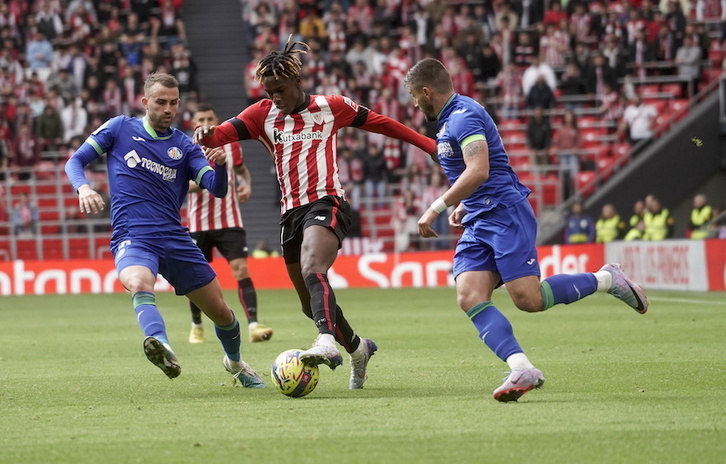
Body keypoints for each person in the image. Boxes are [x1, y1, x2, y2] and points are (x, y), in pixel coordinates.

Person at [193, 37, 437, 389]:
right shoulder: (262, 114)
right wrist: (206, 134)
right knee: (310, 303)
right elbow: (220, 137)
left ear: (297, 81)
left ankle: (324, 341)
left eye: (279, 89)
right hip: (290, 213)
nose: (274, 96)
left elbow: (381, 123)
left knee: (313, 267)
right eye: (268, 90)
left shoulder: (331, 107)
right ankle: (357, 349)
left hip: (327, 202)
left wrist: (428, 144)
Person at [404, 58, 649, 403]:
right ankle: (521, 367)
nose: (415, 104)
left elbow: (479, 170)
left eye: (415, 96)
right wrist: (464, 202)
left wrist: (437, 206)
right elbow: (474, 176)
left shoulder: (464, 115)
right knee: (469, 295)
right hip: (478, 218)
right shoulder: (448, 122)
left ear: (427, 91)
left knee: (529, 300)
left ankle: (607, 279)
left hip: (505, 214)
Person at [64, 73, 265, 388]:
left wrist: (222, 165)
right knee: (138, 281)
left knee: (223, 314)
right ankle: (160, 343)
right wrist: (83, 189)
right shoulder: (119, 128)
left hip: (175, 238)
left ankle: (236, 363)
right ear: (145, 102)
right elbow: (75, 161)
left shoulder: (185, 146)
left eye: (173, 103)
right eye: (160, 102)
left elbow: (216, 188)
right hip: (134, 235)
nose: (168, 108)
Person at [185, 103, 274, 345]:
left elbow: (242, 171)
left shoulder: (231, 145)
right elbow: (185, 185)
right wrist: (210, 180)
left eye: (209, 117)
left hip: (230, 220)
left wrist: (247, 184)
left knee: (241, 270)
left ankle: (254, 325)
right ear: (194, 124)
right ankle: (197, 325)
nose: (205, 122)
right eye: (200, 118)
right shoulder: (188, 149)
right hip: (199, 224)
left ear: (216, 120)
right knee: (194, 279)